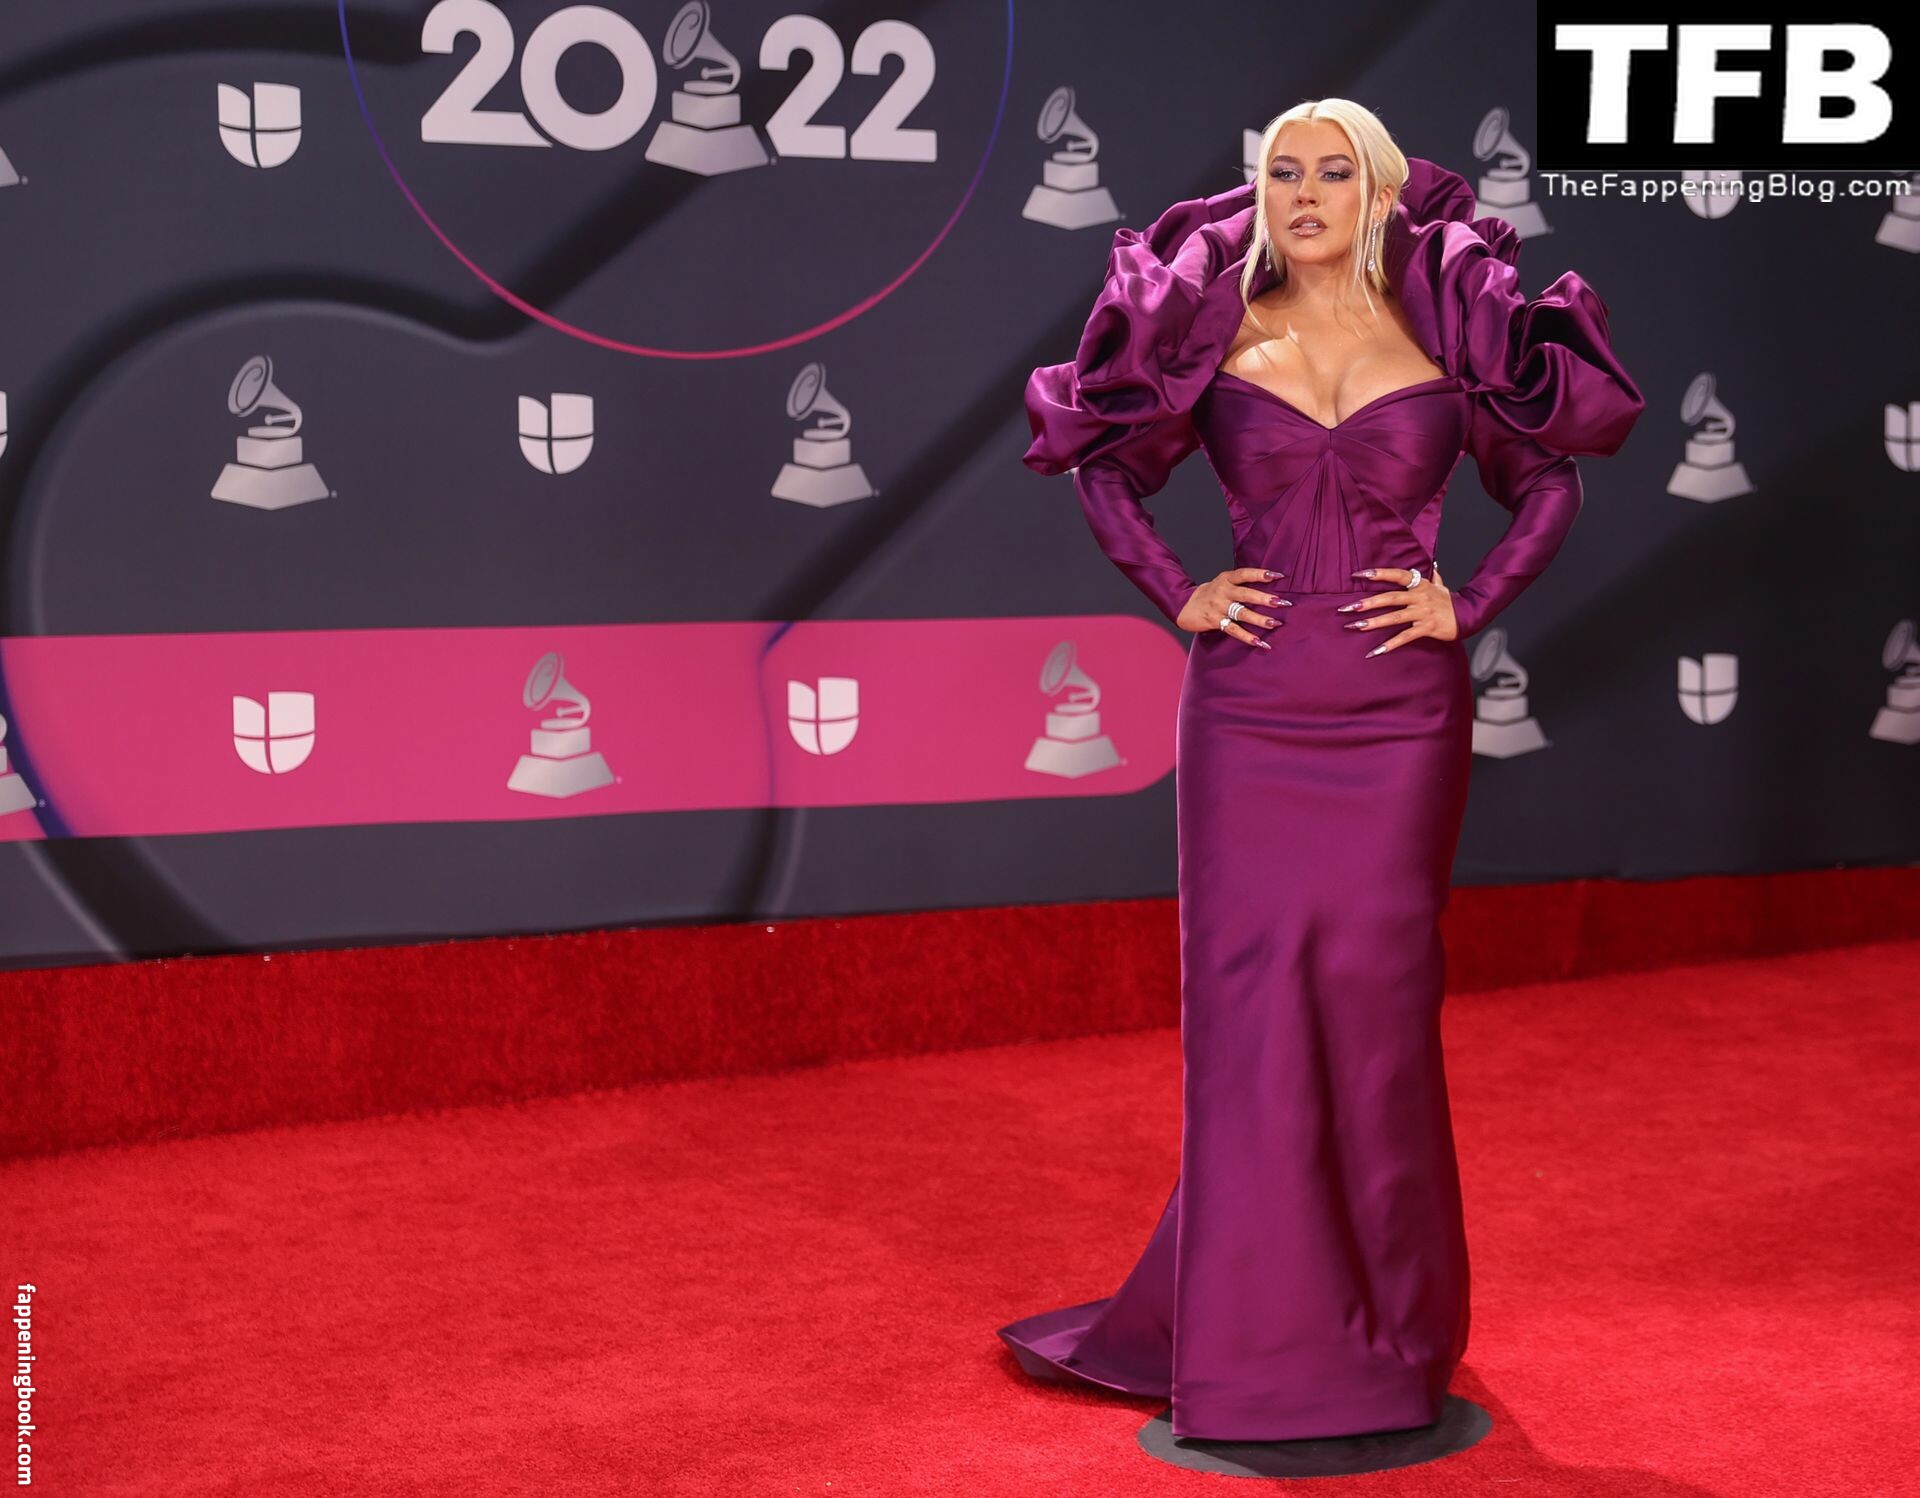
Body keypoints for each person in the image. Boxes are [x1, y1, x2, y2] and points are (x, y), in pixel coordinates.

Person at [996, 99, 1644, 1443]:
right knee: (1248, 1018)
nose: (1302, 192)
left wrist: (1470, 603)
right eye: (1281, 171)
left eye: (1331, 172)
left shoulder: (1448, 335)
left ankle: (1391, 1332)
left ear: (1379, 193)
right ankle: (1253, 1342)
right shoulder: (1218, 332)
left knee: (1375, 1008)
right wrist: (1177, 588)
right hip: (1248, 712)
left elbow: (1551, 483)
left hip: (1398, 718)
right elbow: (1103, 463)